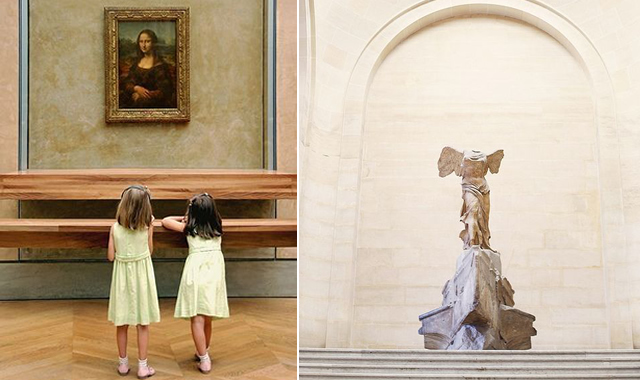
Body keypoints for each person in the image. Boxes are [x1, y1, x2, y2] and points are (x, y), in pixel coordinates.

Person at [162, 193, 230, 374]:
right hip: (214, 274)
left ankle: (205, 359)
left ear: (192, 213)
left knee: (197, 319)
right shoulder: (217, 227)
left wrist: (184, 217)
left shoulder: (189, 228)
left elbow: (166, 221)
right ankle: (203, 351)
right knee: (207, 317)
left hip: (196, 274)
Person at [107, 185, 160, 378]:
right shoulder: (147, 226)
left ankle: (122, 364)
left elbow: (111, 256)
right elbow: (150, 250)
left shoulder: (114, 228)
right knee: (142, 323)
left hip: (122, 279)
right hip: (142, 277)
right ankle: (143, 366)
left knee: (122, 323)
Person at [438, 147, 504, 250]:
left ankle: (483, 243)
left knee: (483, 218)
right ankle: (473, 242)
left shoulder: (485, 157)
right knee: (472, 214)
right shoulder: (463, 155)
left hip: (483, 188)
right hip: (470, 187)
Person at [120, 29, 176, 109]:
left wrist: (142, 96)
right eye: (141, 41)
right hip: (133, 98)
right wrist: (136, 88)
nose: (143, 45)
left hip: (153, 104)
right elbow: (127, 82)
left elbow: (165, 91)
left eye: (147, 41)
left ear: (153, 43)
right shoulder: (136, 63)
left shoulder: (160, 66)